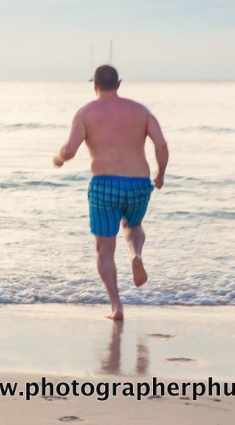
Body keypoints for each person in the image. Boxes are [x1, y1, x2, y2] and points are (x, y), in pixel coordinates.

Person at [53, 65, 168, 320]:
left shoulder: (86, 113)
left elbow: (70, 150)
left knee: (104, 249)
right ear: (119, 83)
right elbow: (161, 143)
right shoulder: (140, 111)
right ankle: (136, 254)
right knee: (133, 224)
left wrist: (59, 157)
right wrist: (160, 173)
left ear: (94, 85)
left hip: (104, 184)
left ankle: (116, 306)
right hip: (139, 184)